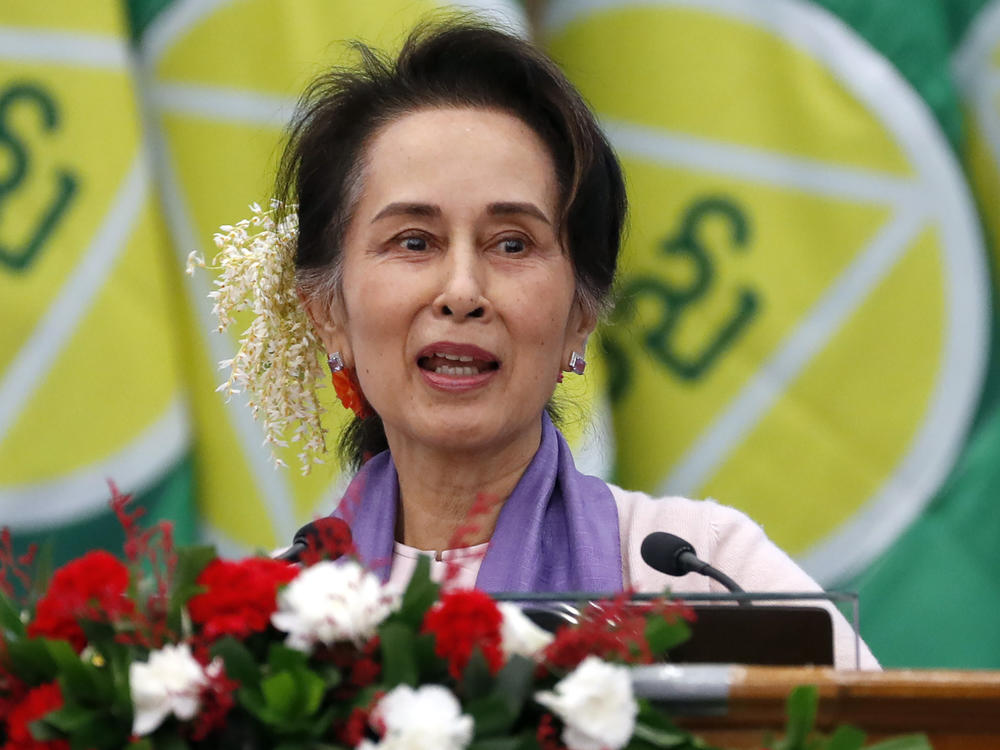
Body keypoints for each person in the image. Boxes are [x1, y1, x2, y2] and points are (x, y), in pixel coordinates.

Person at [206, 17, 877, 669]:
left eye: (512, 243)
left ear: (581, 315)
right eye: (414, 241)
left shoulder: (693, 571)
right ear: (327, 309)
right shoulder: (269, 623)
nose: (462, 290)